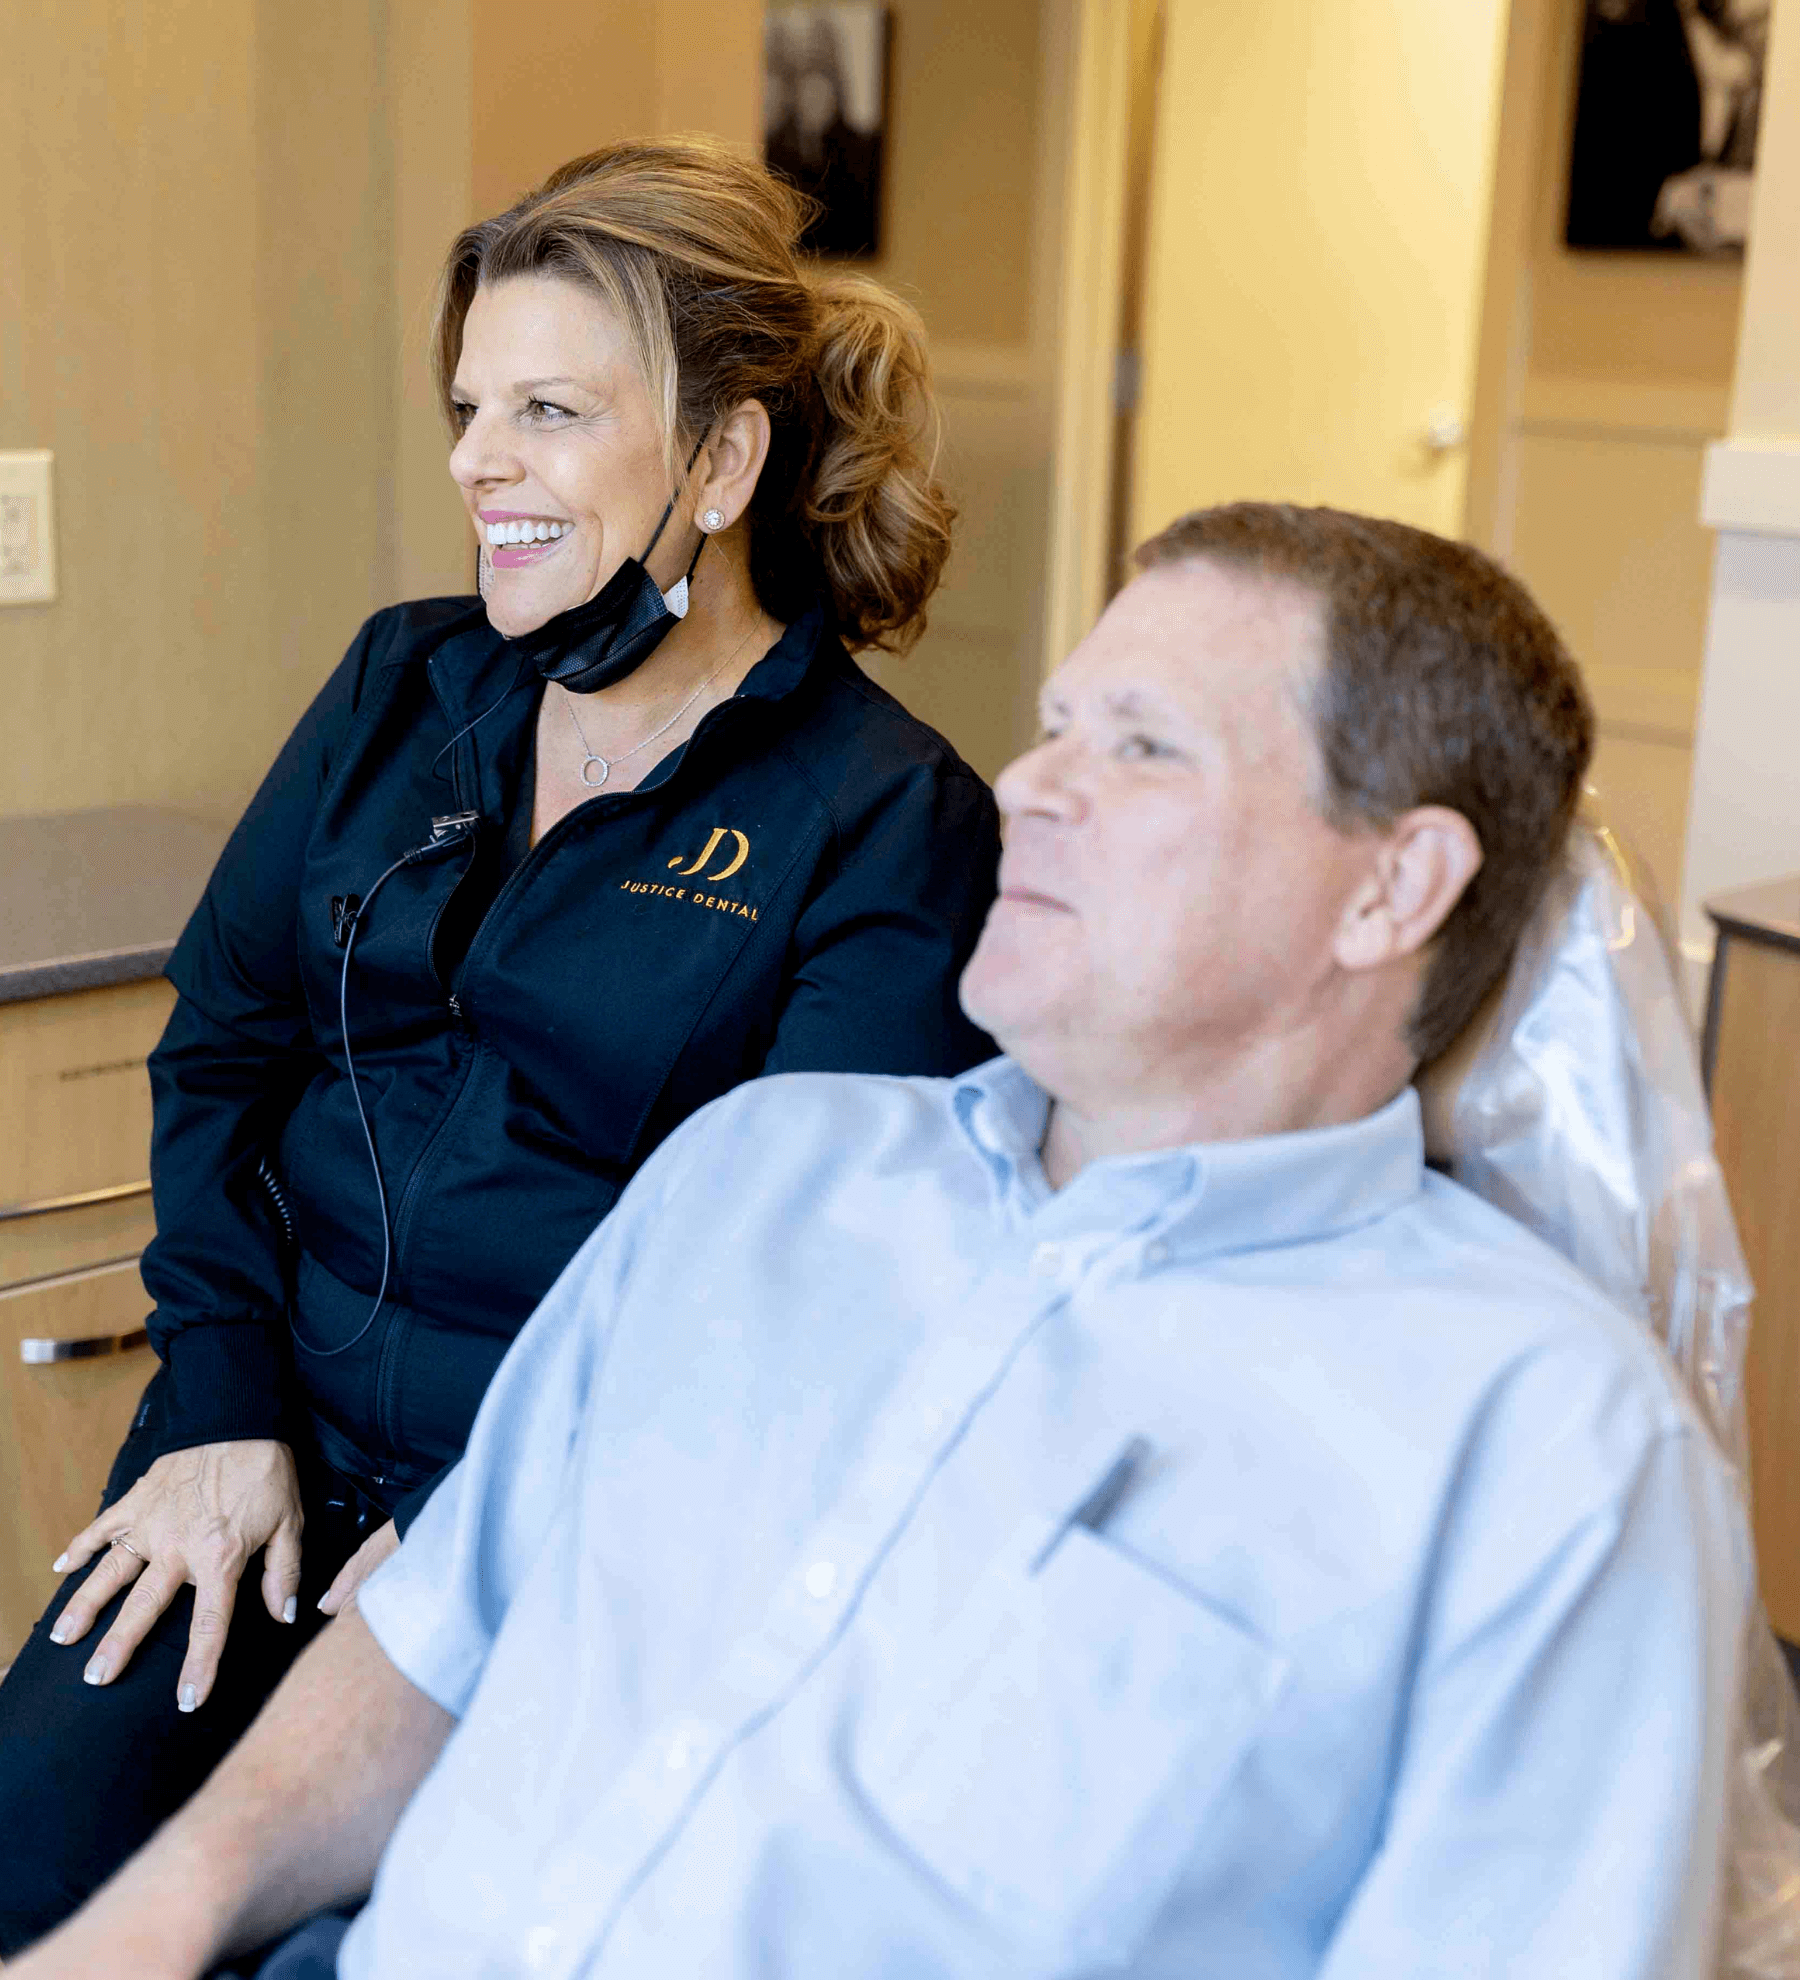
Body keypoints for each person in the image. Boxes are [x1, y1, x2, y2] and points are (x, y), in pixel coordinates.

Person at [12, 504, 1750, 1980]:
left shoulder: (1544, 1450)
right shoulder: (763, 1175)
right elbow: (439, 1644)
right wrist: (149, 1924)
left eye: (1142, 747)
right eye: (1056, 726)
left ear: (1393, 887)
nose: (1033, 784)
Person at [0, 137, 1002, 1952]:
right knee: (26, 1872)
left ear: (721, 462)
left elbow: (798, 1294)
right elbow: (219, 1049)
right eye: (472, 407)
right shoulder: (401, 686)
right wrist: (218, 1407)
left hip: (571, 1533)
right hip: (258, 1446)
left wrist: (504, 1520)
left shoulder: (883, 819)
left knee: (327, 1955)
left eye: (548, 409)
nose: (476, 459)